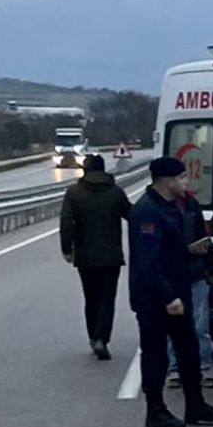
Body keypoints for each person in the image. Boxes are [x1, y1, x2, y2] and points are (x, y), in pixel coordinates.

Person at [128, 156, 213, 427]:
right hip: (156, 299)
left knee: (188, 349)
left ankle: (195, 405)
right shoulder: (147, 211)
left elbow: (169, 250)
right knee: (155, 354)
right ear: (168, 181)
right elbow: (148, 263)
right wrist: (168, 297)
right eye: (182, 178)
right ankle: (156, 410)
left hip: (178, 291)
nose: (186, 182)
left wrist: (188, 251)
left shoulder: (170, 207)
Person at [60, 154, 131, 361]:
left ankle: (93, 337)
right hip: (111, 255)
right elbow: (131, 215)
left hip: (85, 255)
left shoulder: (74, 192)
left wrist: (67, 248)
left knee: (91, 298)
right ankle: (102, 337)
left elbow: (67, 222)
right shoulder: (115, 193)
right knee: (107, 299)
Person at [167, 192, 213, 389]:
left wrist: (211, 268)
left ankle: (203, 368)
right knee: (175, 322)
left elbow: (202, 235)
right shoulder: (160, 207)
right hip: (173, 275)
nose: (185, 183)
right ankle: (174, 368)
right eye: (181, 178)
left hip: (196, 272)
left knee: (200, 324)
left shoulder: (192, 204)